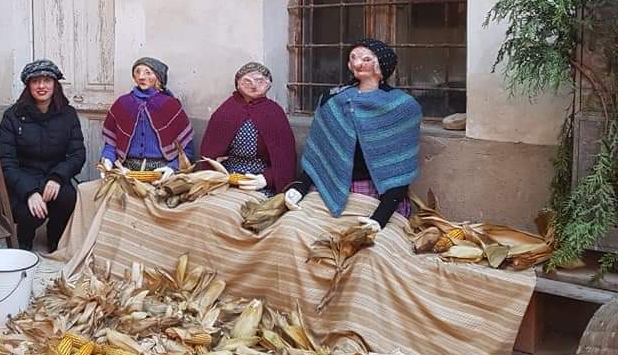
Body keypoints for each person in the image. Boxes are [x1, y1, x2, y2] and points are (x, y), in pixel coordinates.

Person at [287, 38, 421, 232]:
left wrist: (379, 219)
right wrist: (299, 187)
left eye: (366, 59)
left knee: (367, 246)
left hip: (376, 196)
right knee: (292, 229)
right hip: (328, 187)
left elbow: (399, 172)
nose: (358, 64)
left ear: (381, 64)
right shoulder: (332, 100)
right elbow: (320, 155)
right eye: (353, 58)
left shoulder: (403, 107)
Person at [0, 60, 86, 252]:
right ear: (28, 86)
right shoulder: (12, 116)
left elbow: (77, 154)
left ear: (55, 84)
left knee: (67, 198)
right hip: (24, 177)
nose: (41, 86)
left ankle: (55, 237)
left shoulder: (68, 114)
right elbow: (6, 161)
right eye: (35, 81)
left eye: (47, 80)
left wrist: (58, 177)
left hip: (54, 174)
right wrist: (29, 192)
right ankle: (25, 238)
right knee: (29, 212)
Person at [199, 62, 297, 193]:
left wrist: (267, 179)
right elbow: (209, 153)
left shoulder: (274, 113)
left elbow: (285, 157)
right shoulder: (226, 111)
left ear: (269, 84)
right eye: (247, 81)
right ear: (238, 84)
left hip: (259, 179)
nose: (254, 86)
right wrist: (215, 177)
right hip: (227, 177)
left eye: (260, 81)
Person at [100, 57, 194, 176]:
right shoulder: (122, 104)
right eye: (137, 72)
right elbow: (111, 144)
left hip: (161, 174)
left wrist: (173, 168)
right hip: (125, 172)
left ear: (158, 77)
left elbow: (186, 148)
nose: (141, 77)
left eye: (148, 73)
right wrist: (107, 160)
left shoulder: (171, 106)